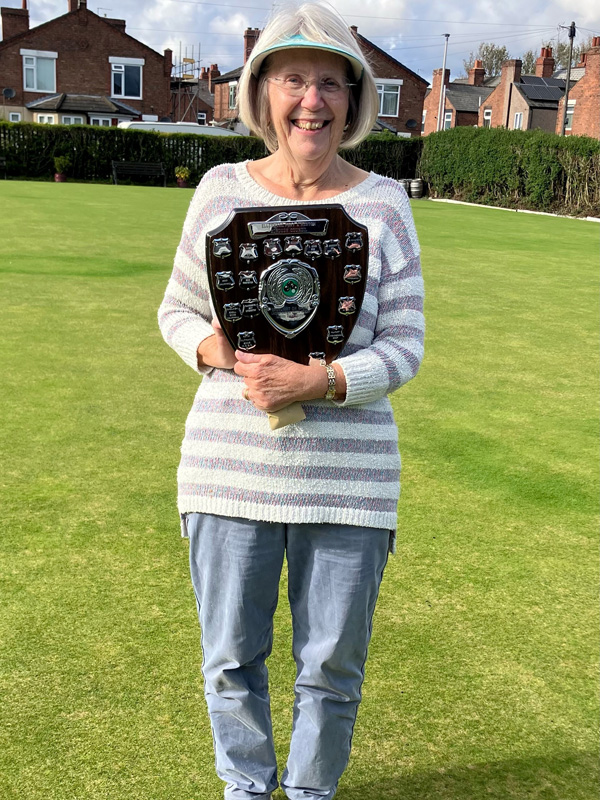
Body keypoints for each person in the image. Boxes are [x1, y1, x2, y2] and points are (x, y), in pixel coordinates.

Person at [158, 3, 425, 798]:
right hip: (227, 476)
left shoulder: (383, 205)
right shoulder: (219, 190)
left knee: (332, 667)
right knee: (231, 661)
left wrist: (323, 381)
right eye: (295, 79)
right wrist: (220, 351)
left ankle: (309, 793)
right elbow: (176, 310)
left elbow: (405, 346)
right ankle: (246, 789)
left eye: (331, 84)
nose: (313, 100)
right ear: (263, 91)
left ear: (353, 99)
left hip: (349, 486)